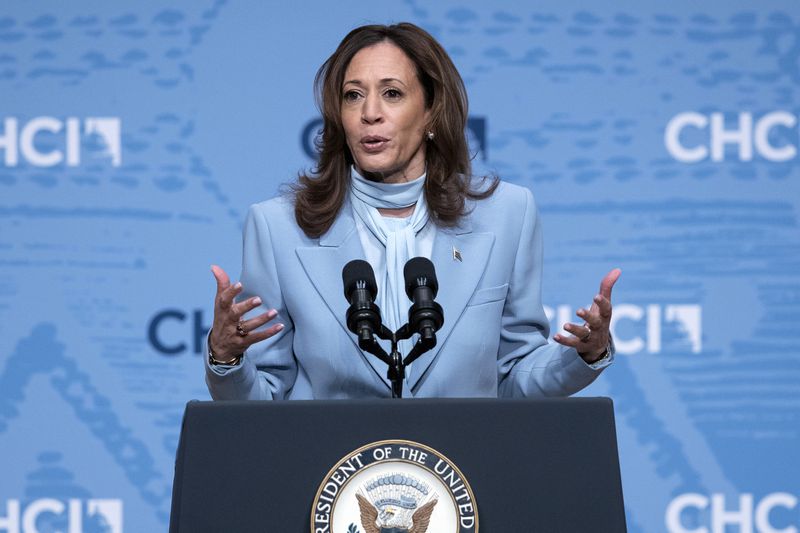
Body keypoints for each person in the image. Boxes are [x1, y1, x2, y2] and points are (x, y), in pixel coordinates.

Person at [205, 22, 621, 400]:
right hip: (333, 476)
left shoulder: (508, 215)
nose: (370, 113)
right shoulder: (278, 227)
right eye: (353, 96)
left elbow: (513, 377)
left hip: (461, 475)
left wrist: (586, 355)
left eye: (392, 93)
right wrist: (226, 359)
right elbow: (263, 401)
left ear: (430, 113)